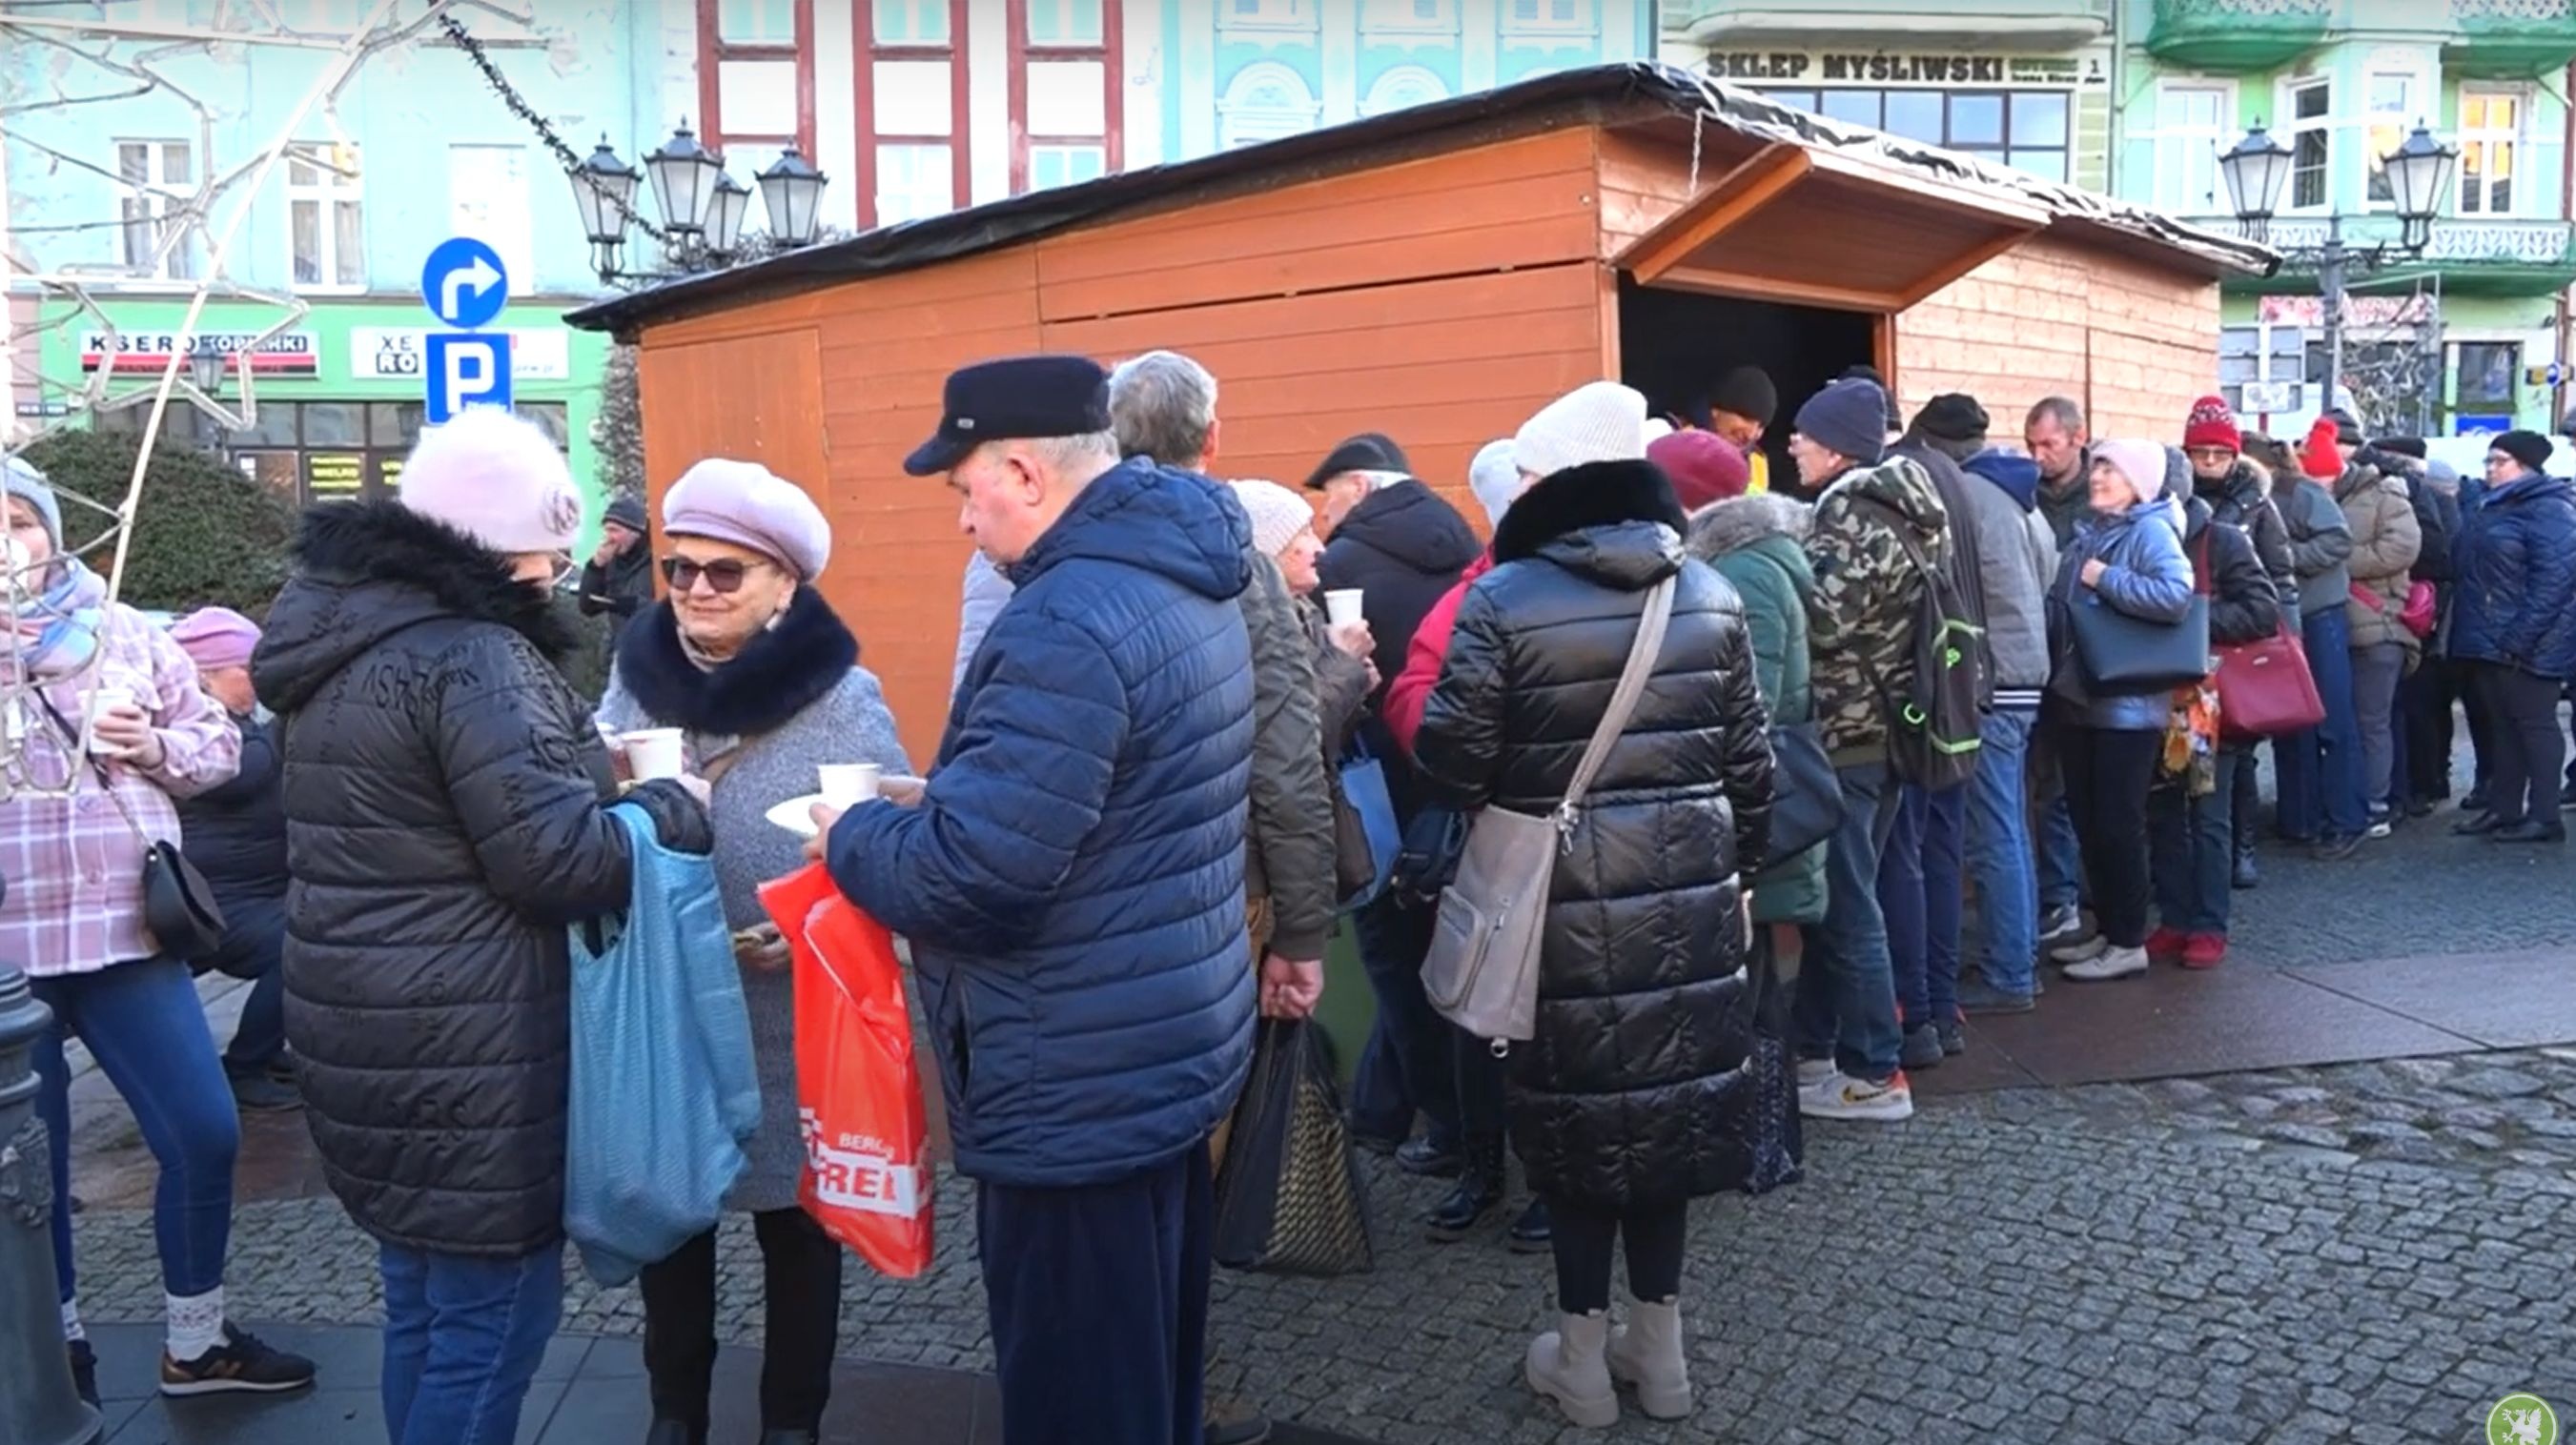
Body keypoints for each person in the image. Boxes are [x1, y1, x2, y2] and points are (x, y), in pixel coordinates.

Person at [815, 355, 1259, 1445]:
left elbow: (973, 878)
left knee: (1080, 1398)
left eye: (964, 491)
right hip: (1162, 1038)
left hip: (1069, 1071)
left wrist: (855, 834)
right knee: (1150, 1372)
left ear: (1021, 469)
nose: (964, 522)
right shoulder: (1183, 574)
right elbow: (1126, 800)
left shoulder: (1062, 619)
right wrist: (954, 793)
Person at [251, 409, 711, 1445]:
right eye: (546, 542)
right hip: (471, 1044)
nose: (558, 563)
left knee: (422, 1302)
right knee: (492, 1325)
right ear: (494, 542)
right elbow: (557, 863)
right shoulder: (472, 657)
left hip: (361, 1025)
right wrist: (661, 806)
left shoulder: (336, 639)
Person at [1410, 402, 1772, 1433]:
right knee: (1667, 1127)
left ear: (1552, 489)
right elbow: (1752, 771)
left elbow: (1450, 763)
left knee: (1571, 1137)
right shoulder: (1708, 590)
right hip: (1690, 903)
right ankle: (1658, 1359)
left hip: (1553, 911)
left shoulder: (1503, 597)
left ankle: (1576, 1365)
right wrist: (1729, 877)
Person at [594, 459, 909, 1445]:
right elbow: (583, 827)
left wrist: (819, 921)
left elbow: (890, 846)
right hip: (673, 998)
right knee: (672, 1210)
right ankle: (674, 1413)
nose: (693, 589)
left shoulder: (846, 696)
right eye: (680, 569)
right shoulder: (632, 686)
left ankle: (791, 1423)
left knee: (800, 1226)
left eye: (724, 572)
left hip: (794, 1008)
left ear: (784, 584)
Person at [2, 457, 288, 1409]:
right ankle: (61, 1347)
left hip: (128, 933)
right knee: (29, 1177)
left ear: (52, 530)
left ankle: (197, 1343)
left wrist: (149, 746)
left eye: (21, 520)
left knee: (204, 1132)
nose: (9, 541)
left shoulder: (125, 635)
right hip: (9, 964)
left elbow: (221, 749)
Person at [1111, 350, 1332, 1445]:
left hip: (1090, 914)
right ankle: (1173, 1379)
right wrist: (1299, 924)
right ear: (1212, 439)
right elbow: (1286, 755)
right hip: (1222, 890)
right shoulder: (1233, 561)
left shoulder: (1033, 557)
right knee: (1192, 1124)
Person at [1307, 428, 1482, 1172]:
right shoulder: (1470, 548)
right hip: (1464, 794)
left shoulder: (1341, 567)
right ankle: (1461, 1124)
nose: (1325, 520)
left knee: (1396, 969)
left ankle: (1449, 1130)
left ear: (1363, 488)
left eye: (1333, 497)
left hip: (1378, 796)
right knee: (1469, 970)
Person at [1789, 375, 1945, 1122]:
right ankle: (1812, 1050)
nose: (1791, 444)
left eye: (1803, 434)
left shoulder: (1851, 517)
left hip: (1848, 734)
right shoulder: (1907, 511)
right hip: (1887, 731)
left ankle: (1879, 1073)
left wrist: (1787, 563)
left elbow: (1820, 623)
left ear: (1837, 448)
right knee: (1835, 900)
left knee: (1848, 905)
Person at [2044, 440, 2198, 983]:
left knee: (2117, 824)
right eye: (2098, 466)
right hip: (2085, 698)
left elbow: (2176, 594)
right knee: (2090, 821)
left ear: (2140, 481)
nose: (2098, 476)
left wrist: (2102, 578)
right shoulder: (2096, 529)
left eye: (2111, 468)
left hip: (2128, 706)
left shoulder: (2150, 529)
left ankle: (2129, 938)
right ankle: (2110, 929)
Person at [1679, 438, 1829, 958]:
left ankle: (1866, 1041)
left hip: (1764, 791)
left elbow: (1751, 702)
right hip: (1769, 785)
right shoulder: (1753, 557)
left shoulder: (1743, 571)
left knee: (1762, 962)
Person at [1880, 394, 1994, 1065]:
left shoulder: (1902, 479)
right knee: (1943, 852)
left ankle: (1915, 1012)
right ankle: (1941, 1010)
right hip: (1966, 689)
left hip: (1922, 698)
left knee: (1906, 855)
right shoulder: (1969, 484)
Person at [2146, 458, 2279, 969]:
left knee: (2208, 816)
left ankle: (2208, 924)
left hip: (2208, 702)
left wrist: (2193, 617)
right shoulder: (2134, 539)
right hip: (2153, 699)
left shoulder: (2220, 540)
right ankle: (2175, 917)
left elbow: (2263, 610)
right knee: (2160, 815)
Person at [169, 605, 297, 1113]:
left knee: (317, 936)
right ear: (204, 675)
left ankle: (264, 1055)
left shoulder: (239, 722)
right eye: (247, 669)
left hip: (250, 892)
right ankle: (245, 1065)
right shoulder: (197, 729)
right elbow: (242, 771)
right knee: (302, 949)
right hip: (215, 901)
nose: (259, 682)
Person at [1948, 440, 2057, 1013]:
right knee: (2012, 825)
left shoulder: (1969, 498)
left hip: (1993, 682)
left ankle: (2009, 973)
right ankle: (2017, 958)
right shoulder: (2026, 502)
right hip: (2026, 676)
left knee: (1994, 833)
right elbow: (2049, 575)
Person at [2182, 399, 2296, 890]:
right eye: (2198, 452)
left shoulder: (2257, 503)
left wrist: (2286, 646)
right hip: (2188, 649)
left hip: (2239, 639)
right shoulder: (2174, 499)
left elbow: (2281, 578)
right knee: (2188, 753)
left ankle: (2241, 848)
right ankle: (2198, 852)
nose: (2207, 462)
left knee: (2241, 755)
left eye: (2217, 453)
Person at [2448, 430, 2576, 844]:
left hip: (2532, 638)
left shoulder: (2549, 509)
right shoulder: (2495, 506)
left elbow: (2555, 581)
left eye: (2498, 461)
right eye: (2488, 461)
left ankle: (2544, 815)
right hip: (2491, 637)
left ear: (2525, 466)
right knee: (2501, 725)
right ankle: (2503, 809)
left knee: (2535, 725)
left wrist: (2521, 637)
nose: (2488, 469)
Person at [2274, 418, 2366, 858]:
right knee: (2290, 722)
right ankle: (2300, 818)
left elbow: (2337, 541)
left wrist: (2285, 559)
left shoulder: (2301, 492)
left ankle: (2346, 819)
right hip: (2284, 618)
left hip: (2318, 614)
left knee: (2332, 722)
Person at [2022, 396, 2095, 947]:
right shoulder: (2024, 497)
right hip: (2041, 657)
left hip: (2094, 658)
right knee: (2048, 786)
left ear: (2077, 436)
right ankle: (2060, 896)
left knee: (2088, 784)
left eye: (2049, 444)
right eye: (2032, 446)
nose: (2039, 456)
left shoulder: (2105, 493)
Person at [2327, 422, 2423, 837]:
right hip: (2336, 625)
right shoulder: (2324, 495)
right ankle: (2346, 801)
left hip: (2380, 624)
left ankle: (2377, 803)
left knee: (2372, 720)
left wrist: (2334, 560)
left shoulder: (2388, 495)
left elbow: (2401, 549)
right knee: (2342, 721)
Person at [577, 493, 654, 654]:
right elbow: (588, 607)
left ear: (635, 532)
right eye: (606, 530)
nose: (608, 538)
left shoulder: (655, 558)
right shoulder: (611, 561)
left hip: (653, 649)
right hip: (621, 649)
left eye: (615, 530)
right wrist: (596, 567)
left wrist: (630, 604)